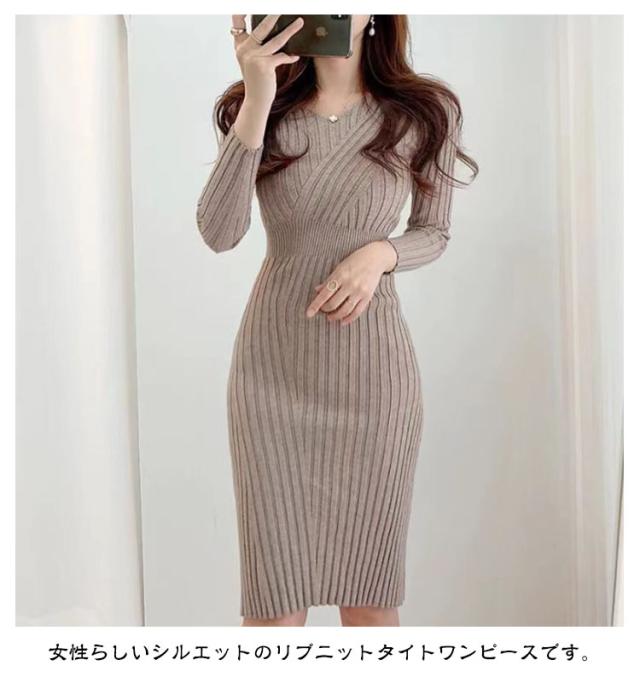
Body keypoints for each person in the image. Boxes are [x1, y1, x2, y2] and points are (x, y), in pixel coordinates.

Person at [196, 14, 477, 627]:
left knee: (371, 604)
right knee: (273, 609)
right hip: (272, 379)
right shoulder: (256, 108)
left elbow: (434, 232)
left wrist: (382, 254)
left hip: (374, 384)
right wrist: (258, 99)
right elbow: (219, 232)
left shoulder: (424, 113)